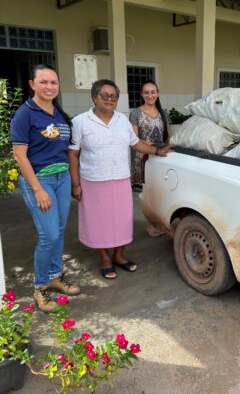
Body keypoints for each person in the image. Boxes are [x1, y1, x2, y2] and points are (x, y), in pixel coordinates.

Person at [68, 79, 173, 280]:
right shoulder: (80, 122)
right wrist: (75, 184)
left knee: (121, 220)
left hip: (120, 179)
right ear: (94, 97)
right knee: (99, 222)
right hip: (94, 182)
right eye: (104, 95)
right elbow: (73, 154)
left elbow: (135, 143)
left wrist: (157, 151)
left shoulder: (122, 120)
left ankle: (119, 255)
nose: (109, 99)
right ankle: (105, 259)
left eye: (113, 96)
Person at [11, 64, 80, 313]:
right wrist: (38, 189)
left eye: (53, 82)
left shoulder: (58, 113)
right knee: (48, 235)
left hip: (61, 178)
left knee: (59, 232)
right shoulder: (24, 114)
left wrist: (72, 181)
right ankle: (40, 286)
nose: (49, 87)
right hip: (41, 181)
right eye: (43, 82)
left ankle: (54, 276)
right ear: (32, 84)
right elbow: (20, 156)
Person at [129, 80, 170, 237]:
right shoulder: (136, 113)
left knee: (160, 190)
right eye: (146, 92)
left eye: (153, 92)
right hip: (143, 157)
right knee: (147, 193)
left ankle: (160, 222)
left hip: (161, 157)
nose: (150, 95)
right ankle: (150, 223)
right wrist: (153, 148)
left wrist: (168, 149)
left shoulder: (163, 113)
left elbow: (169, 136)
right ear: (141, 94)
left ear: (157, 93)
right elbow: (134, 138)